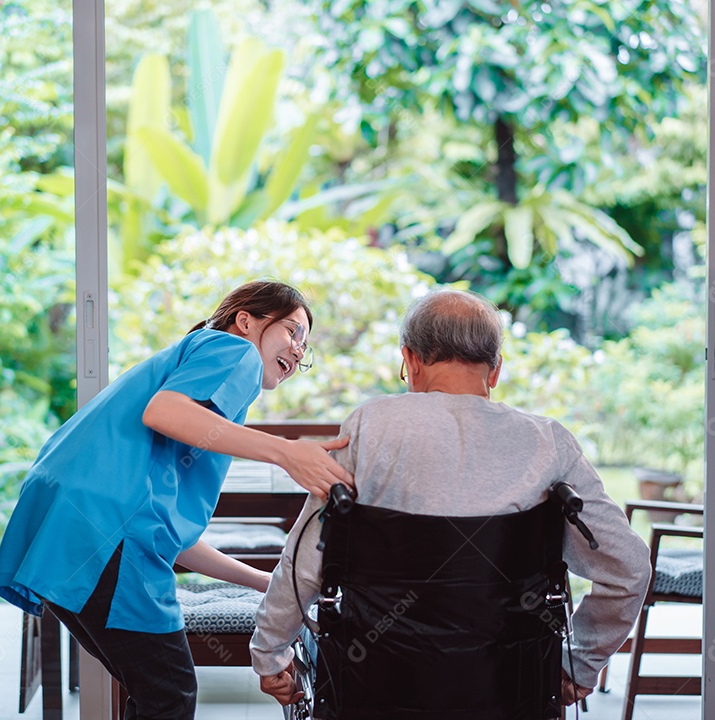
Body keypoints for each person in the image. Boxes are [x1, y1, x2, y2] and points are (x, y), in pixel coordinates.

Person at [250, 289, 651, 709]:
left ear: (411, 361)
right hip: (511, 692)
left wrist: (270, 653)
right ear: (495, 371)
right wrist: (579, 665)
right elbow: (628, 567)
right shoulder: (548, 443)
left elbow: (306, 561)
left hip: (373, 690)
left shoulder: (369, 427)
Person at [0, 280, 354, 720]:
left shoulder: (197, 366)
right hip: (104, 533)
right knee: (170, 695)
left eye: (305, 345)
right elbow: (162, 412)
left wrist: (270, 584)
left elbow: (169, 538)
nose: (298, 350)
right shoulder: (233, 351)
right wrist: (285, 452)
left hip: (70, 530)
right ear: (246, 321)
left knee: (155, 694)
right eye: (293, 331)